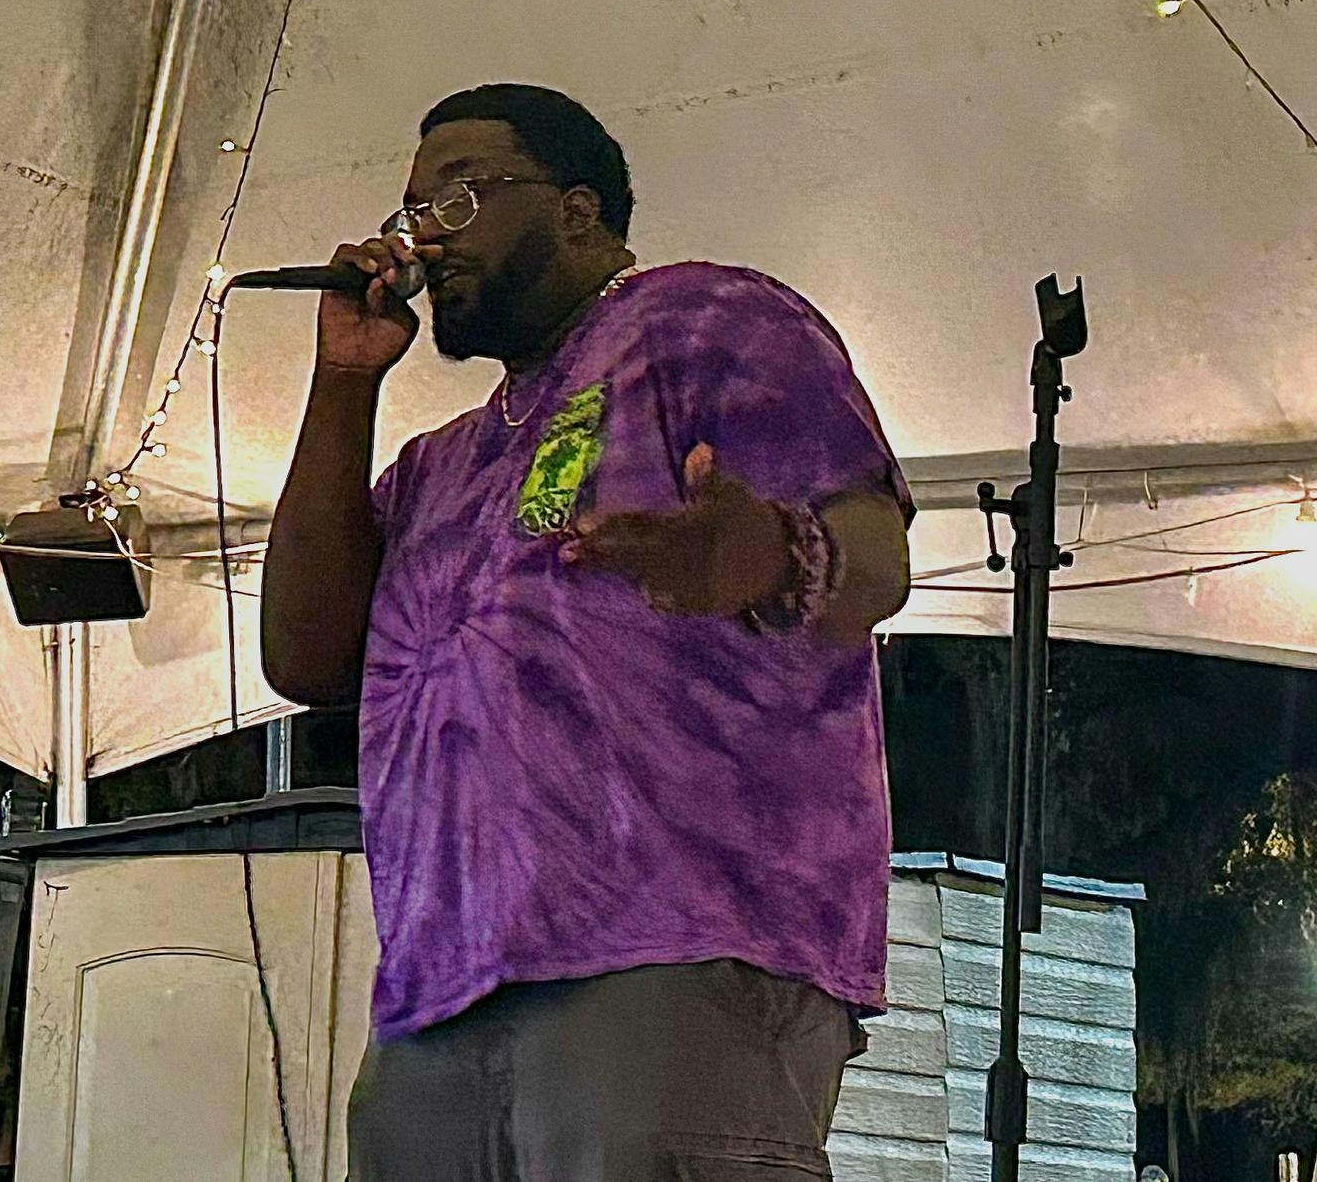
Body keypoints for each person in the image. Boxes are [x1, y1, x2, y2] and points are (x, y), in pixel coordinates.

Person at [259, 84, 915, 1181]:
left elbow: (878, 559)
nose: (419, 235)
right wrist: (341, 382)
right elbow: (304, 658)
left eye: (459, 198)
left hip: (681, 946)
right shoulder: (438, 463)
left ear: (576, 211)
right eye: (411, 207)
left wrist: (760, 554)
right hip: (440, 985)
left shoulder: (707, 319)